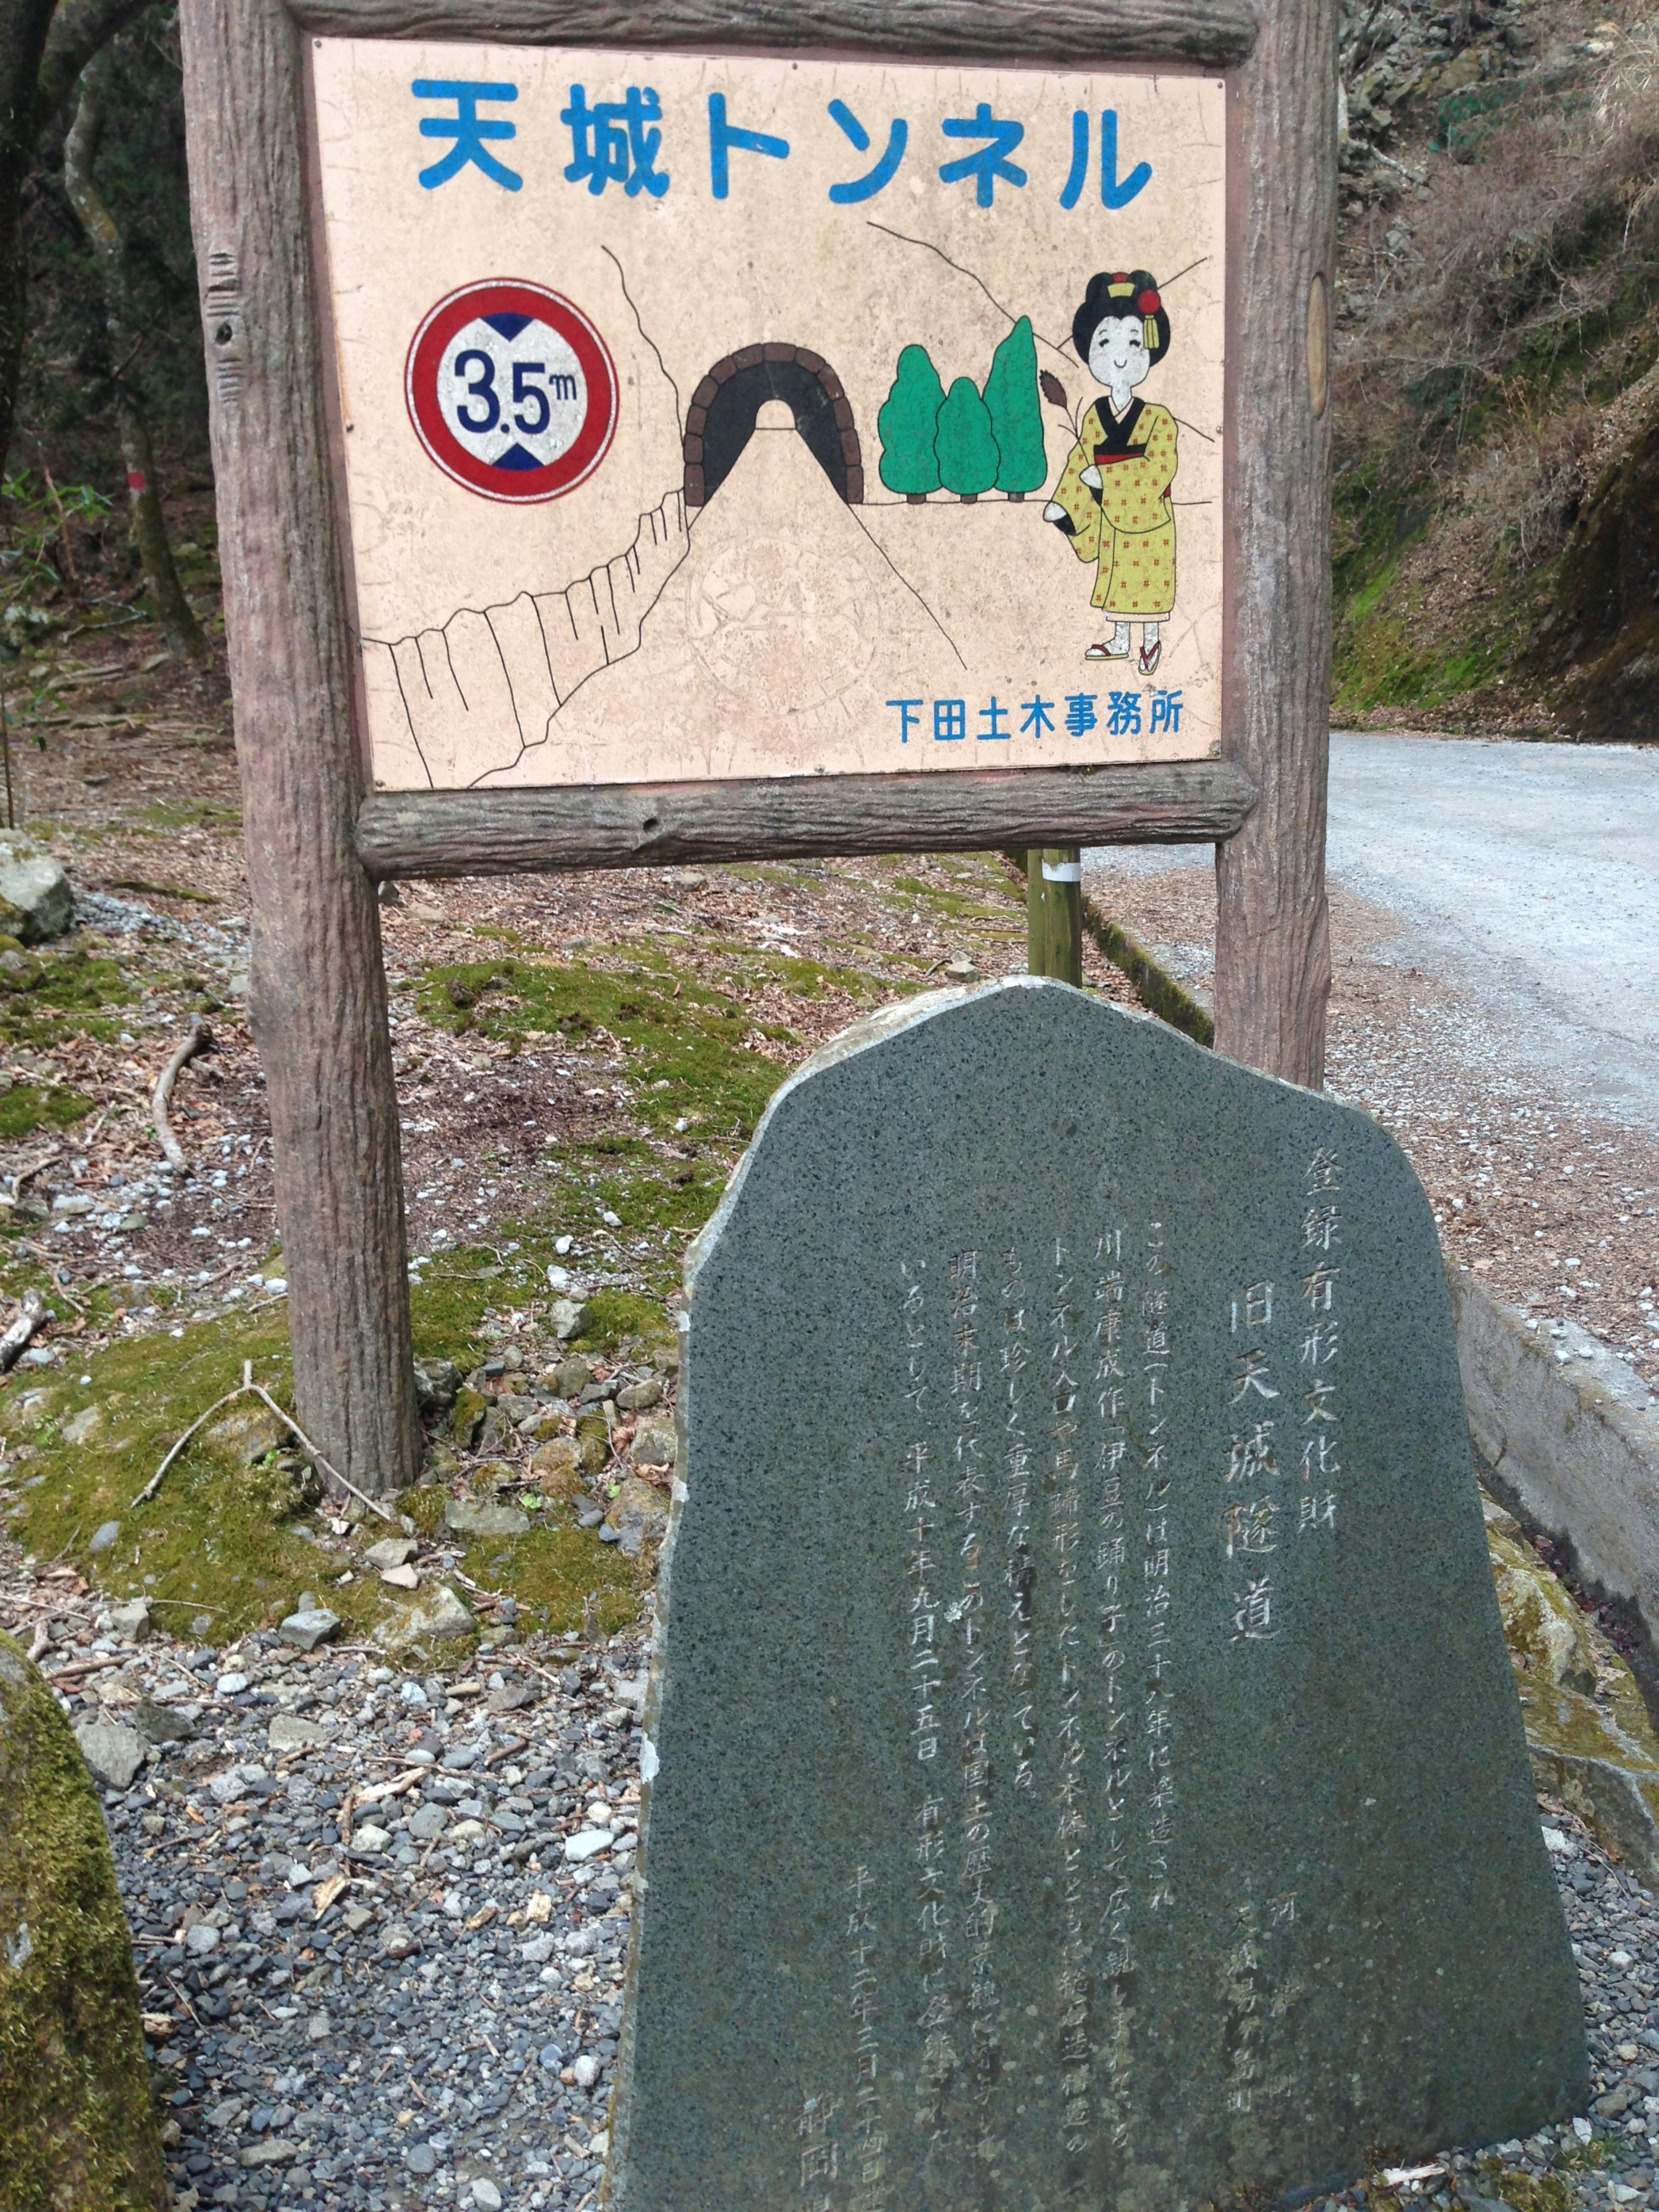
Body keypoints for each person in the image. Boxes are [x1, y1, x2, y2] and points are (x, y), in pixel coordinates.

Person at [1044, 269, 1177, 675]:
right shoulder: (1096, 417)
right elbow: (1080, 460)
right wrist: (1064, 505)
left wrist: (1111, 481)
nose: (1120, 355)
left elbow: (1162, 467)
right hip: (1110, 516)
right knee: (1117, 580)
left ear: (1148, 350)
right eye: (1106, 341)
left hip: (1148, 516)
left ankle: (1150, 642)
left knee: (1149, 584)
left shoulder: (1158, 418)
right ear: (1091, 352)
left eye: (1133, 342)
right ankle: (1120, 639)